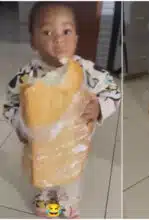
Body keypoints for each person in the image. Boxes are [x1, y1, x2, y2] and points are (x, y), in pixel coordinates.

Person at [3, 2, 120, 218]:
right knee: (41, 175)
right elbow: (9, 103)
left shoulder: (87, 71)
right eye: (47, 32)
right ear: (33, 41)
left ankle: (67, 202)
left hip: (72, 145)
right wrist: (20, 125)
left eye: (66, 31)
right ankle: (45, 196)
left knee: (69, 179)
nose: (58, 39)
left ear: (76, 37)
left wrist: (99, 108)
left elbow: (113, 91)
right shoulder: (26, 76)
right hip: (39, 147)